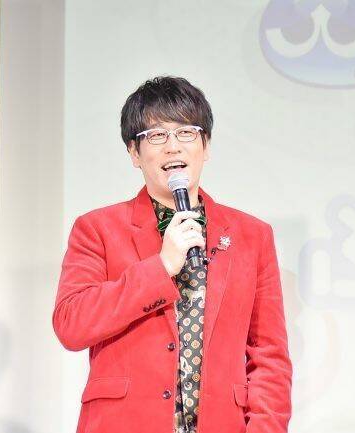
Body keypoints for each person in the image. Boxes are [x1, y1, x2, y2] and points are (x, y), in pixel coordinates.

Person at [52, 76, 292, 433]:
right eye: (156, 135)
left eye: (186, 133)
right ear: (134, 153)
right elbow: (72, 325)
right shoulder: (98, 229)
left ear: (205, 146)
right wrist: (161, 267)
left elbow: (268, 355)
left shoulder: (252, 236)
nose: (173, 147)